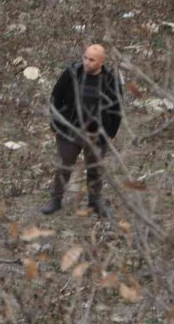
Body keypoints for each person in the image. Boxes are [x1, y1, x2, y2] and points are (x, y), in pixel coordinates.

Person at [42, 44, 123, 218]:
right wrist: (56, 125)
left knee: (95, 168)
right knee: (64, 166)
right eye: (85, 57)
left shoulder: (110, 79)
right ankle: (56, 199)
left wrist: (110, 133)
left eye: (91, 60)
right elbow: (56, 98)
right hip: (70, 130)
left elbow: (117, 108)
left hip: (96, 134)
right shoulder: (72, 73)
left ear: (101, 62)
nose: (86, 62)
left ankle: (94, 201)